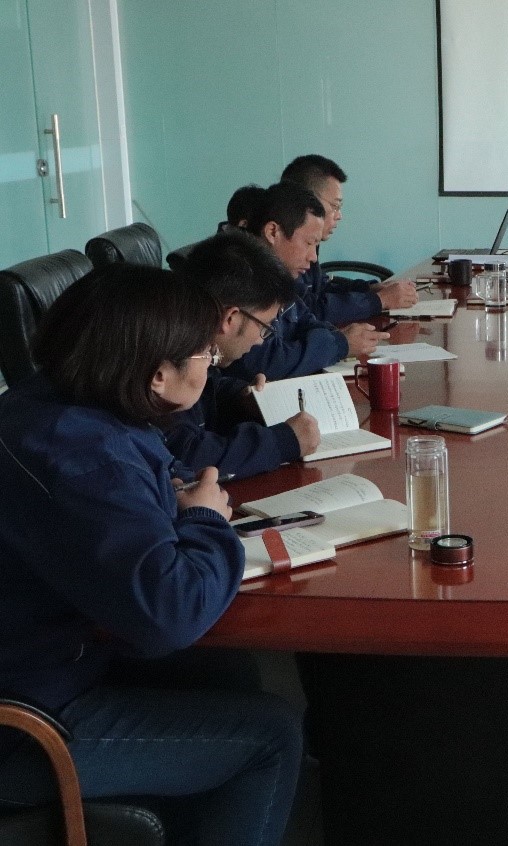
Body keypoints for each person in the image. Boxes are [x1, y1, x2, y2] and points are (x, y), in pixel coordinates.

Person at [0, 265, 303, 845]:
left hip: (56, 658)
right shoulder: (80, 453)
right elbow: (171, 612)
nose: (211, 364)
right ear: (159, 373)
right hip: (27, 722)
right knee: (272, 736)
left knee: (231, 674)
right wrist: (205, 520)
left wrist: (173, 503)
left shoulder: (58, 403)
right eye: (204, 353)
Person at [165, 230, 322, 478]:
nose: (260, 340)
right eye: (263, 327)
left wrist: (240, 399)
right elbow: (185, 455)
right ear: (230, 318)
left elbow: (209, 389)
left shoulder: (194, 345)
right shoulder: (168, 357)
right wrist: (283, 442)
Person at [225, 181, 386, 382]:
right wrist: (339, 344)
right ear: (273, 232)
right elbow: (265, 363)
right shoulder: (237, 275)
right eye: (309, 243)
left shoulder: (277, 274)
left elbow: (305, 320)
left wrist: (335, 338)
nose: (314, 257)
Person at [281, 154, 418, 323]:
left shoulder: (307, 242)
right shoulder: (283, 246)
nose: (339, 216)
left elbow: (320, 288)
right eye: (335, 206)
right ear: (308, 201)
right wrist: (379, 300)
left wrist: (370, 289)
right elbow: (308, 310)